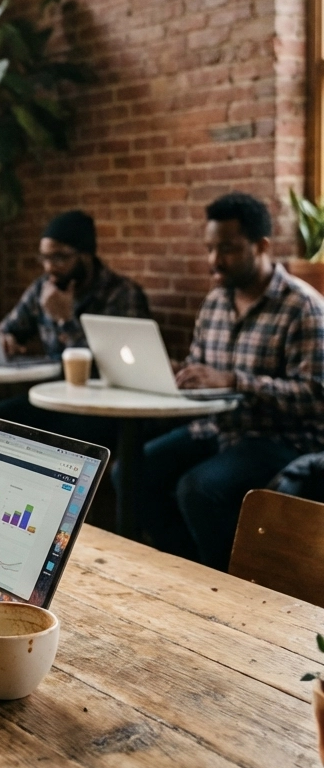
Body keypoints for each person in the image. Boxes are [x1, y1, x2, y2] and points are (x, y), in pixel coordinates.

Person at [136, 192, 324, 570]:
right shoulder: (216, 301)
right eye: (209, 249)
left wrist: (236, 381)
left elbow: (314, 396)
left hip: (279, 438)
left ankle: (226, 586)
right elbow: (202, 366)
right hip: (217, 428)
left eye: (228, 249)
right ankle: (183, 570)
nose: (214, 261)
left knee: (199, 489)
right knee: (132, 472)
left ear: (262, 246)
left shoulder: (303, 307)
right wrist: (182, 374)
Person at [0, 209, 151, 446]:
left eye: (59, 258)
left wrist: (66, 321)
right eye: (44, 258)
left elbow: (116, 370)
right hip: (54, 398)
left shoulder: (122, 295)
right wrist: (5, 338)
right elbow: (9, 328)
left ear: (86, 255)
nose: (49, 267)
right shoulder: (44, 288)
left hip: (105, 407)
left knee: (55, 437)